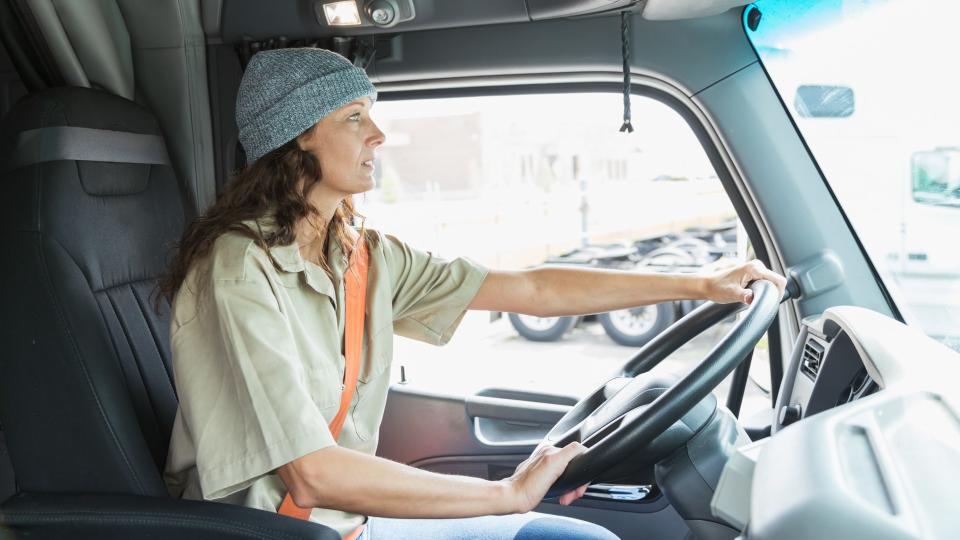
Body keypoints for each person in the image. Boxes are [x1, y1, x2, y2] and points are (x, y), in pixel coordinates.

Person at [159, 48, 787, 540]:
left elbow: (530, 288)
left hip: (344, 524)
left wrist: (702, 283)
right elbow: (312, 474)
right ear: (296, 137)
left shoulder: (360, 253)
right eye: (354, 118)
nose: (378, 135)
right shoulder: (239, 269)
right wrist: (505, 494)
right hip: (275, 532)